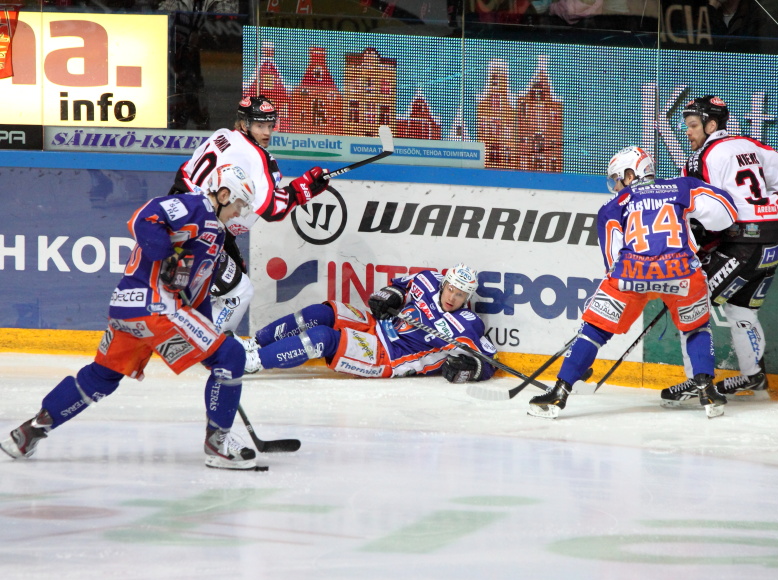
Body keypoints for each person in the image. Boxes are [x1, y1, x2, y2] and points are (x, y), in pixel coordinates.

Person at [2, 165, 264, 470]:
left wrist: (211, 340)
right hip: (156, 309)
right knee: (231, 354)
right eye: (238, 205)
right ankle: (218, 445)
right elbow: (145, 217)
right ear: (222, 194)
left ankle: (29, 431)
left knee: (102, 377)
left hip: (128, 310)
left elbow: (199, 295)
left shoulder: (215, 238)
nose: (238, 214)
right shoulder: (195, 206)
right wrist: (167, 255)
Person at [527, 146, 738, 420]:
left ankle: (558, 393)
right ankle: (708, 392)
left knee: (595, 330)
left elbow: (612, 258)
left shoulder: (613, 206)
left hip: (632, 274)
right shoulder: (681, 186)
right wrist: (692, 226)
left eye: (617, 178)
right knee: (697, 328)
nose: (616, 185)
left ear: (630, 174)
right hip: (682, 271)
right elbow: (726, 213)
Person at [661, 96, 778, 402]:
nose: (688, 132)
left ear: (712, 125)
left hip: (743, 243)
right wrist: (770, 208)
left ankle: (697, 380)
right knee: (741, 310)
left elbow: (707, 218)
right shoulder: (750, 144)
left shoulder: (700, 159)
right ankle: (753, 375)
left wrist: (698, 248)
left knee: (690, 303)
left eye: (693, 125)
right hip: (776, 237)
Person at [169, 95, 331, 334]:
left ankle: (201, 331)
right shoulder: (257, 157)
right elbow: (273, 210)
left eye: (269, 125)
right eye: (259, 126)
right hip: (202, 232)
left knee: (230, 277)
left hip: (179, 216)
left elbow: (184, 172)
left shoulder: (221, 135)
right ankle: (207, 344)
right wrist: (303, 189)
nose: (266, 132)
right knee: (239, 291)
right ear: (244, 124)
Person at [235, 264, 498, 383]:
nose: (453, 297)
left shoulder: (467, 325)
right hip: (377, 323)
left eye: (460, 294)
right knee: (319, 313)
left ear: (468, 297)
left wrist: (472, 369)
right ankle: (255, 343)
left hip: (388, 356)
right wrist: (390, 295)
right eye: (451, 289)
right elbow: (399, 287)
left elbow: (489, 360)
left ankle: (255, 361)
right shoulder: (427, 279)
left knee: (323, 338)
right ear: (444, 283)